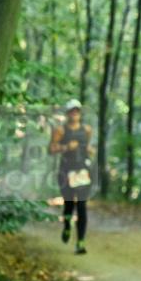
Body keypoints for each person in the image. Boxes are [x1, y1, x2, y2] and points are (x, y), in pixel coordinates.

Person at [49, 99, 92, 255]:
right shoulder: (60, 130)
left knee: (81, 206)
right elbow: (51, 149)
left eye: (77, 111)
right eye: (72, 111)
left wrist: (90, 151)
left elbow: (86, 147)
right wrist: (66, 147)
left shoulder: (87, 130)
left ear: (80, 113)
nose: (75, 113)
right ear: (67, 113)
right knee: (69, 204)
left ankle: (80, 242)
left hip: (82, 171)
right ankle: (67, 224)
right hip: (66, 171)